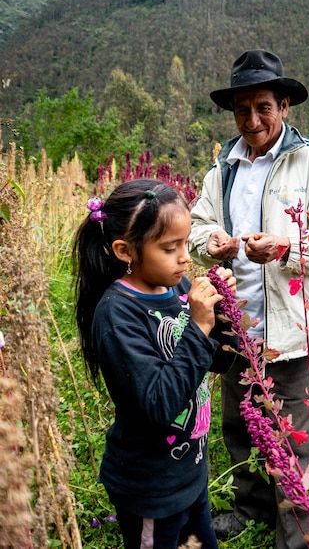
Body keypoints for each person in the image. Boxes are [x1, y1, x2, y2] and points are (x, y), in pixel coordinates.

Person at [189, 49, 309, 548]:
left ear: (284, 105)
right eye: (242, 109)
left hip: (294, 331)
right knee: (240, 427)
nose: (252, 120)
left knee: (293, 442)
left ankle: (297, 534)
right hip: (236, 328)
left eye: (263, 106)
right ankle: (252, 509)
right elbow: (199, 227)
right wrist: (211, 243)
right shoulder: (223, 168)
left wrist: (287, 248)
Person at [73, 178, 238, 549]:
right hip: (151, 488)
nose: (184, 257)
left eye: (185, 242)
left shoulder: (174, 288)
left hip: (189, 474)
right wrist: (197, 326)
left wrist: (223, 316)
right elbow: (159, 404)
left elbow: (208, 362)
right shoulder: (117, 315)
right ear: (125, 250)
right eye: (169, 248)